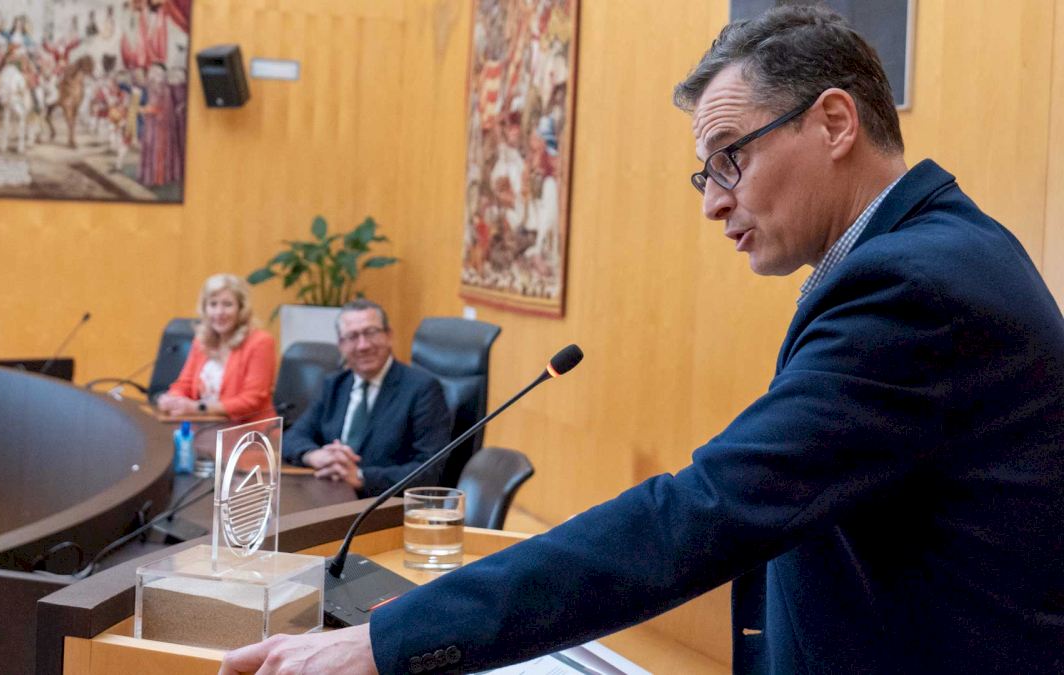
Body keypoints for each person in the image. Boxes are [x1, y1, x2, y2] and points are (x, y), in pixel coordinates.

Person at [220, 6, 1064, 675]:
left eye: (730, 157)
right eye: (707, 173)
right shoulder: (930, 252)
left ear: (835, 122)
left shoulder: (914, 288)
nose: (714, 202)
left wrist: (387, 642)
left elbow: (706, 509)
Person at [280, 299, 451, 498]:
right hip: (329, 493)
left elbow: (430, 470)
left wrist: (361, 477)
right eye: (352, 337)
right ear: (341, 345)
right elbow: (293, 437)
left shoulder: (422, 389)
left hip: (382, 503)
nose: (363, 345)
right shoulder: (335, 385)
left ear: (389, 335)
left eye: (371, 332)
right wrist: (315, 456)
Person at [157, 273, 277, 422]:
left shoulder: (261, 342)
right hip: (205, 426)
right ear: (205, 308)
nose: (219, 312)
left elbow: (251, 400)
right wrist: (173, 399)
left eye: (227, 304)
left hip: (248, 430)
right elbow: (184, 384)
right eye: (213, 304)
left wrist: (198, 408)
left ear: (241, 309)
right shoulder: (201, 341)